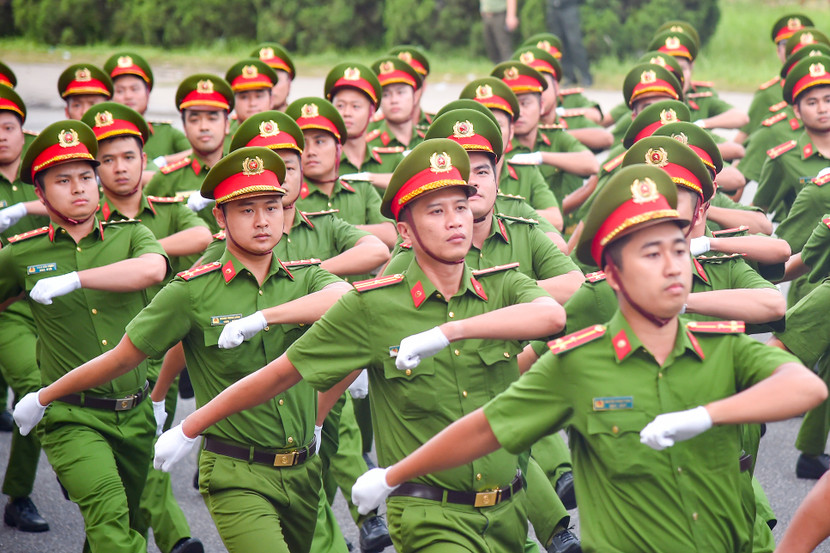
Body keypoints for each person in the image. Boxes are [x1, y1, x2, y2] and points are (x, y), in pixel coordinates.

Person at [349, 163, 826, 552]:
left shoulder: (719, 345)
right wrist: (393, 475)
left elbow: (805, 388)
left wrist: (707, 415)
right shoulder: (577, 365)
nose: (672, 266)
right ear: (613, 276)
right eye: (650, 254)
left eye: (679, 249)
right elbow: (484, 426)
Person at [152, 138, 567, 553]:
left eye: (460, 207)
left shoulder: (503, 285)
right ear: (404, 230)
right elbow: (282, 373)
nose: (455, 221)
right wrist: (191, 426)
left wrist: (449, 332)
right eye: (436, 211)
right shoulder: (373, 306)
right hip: (432, 517)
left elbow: (552, 316)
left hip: (508, 516)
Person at [13, 146, 353, 553]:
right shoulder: (191, 291)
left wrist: (266, 317)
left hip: (303, 467)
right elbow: (122, 357)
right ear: (220, 217)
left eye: (272, 206)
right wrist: (44, 395)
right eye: (246, 210)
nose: (263, 221)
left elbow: (345, 297)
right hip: (236, 470)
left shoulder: (308, 276)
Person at [6, 120, 169, 552]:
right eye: (63, 180)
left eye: (85, 177)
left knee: (128, 526)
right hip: (70, 415)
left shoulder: (132, 234)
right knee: (110, 519)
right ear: (40, 195)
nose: (79, 188)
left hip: (135, 413)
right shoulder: (22, 253)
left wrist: (75, 278)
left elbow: (154, 269)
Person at [81, 101, 211, 553]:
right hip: (106, 355)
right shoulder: (87, 221)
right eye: (106, 160)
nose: (118, 168)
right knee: (115, 487)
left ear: (144, 159)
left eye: (129, 157)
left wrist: (140, 256)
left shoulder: (168, 209)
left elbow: (201, 236)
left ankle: (173, 540)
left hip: (163, 351)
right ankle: (175, 537)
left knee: (149, 449)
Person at [0, 82, 50, 534]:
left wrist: (30, 204)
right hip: (5, 306)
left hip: (44, 303)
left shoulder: (48, 168)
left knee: (37, 391)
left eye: (8, 126)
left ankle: (18, 494)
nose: (1, 135)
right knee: (34, 386)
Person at [287, 96, 397, 249]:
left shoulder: (361, 189)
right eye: (303, 144)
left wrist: (334, 231)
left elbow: (390, 235)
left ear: (338, 148)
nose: (311, 152)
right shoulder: (291, 198)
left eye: (319, 142)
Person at [144, 74, 234, 232]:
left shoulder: (239, 172)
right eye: (194, 120)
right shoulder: (166, 179)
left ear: (227, 125)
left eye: (212, 118)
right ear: (184, 128)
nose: (203, 126)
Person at [104, 52, 192, 171]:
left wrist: (164, 160)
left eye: (135, 89)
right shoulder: (101, 138)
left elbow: (197, 154)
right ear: (109, 98)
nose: (128, 96)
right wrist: (162, 163)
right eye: (120, 91)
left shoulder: (167, 133)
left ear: (147, 93)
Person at [325, 62, 402, 188]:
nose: (347, 113)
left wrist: (370, 178)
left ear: (371, 112)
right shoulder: (320, 164)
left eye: (356, 106)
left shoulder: (393, 160)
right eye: (340, 106)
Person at [367, 57, 425, 152]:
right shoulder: (369, 147)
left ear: (415, 96)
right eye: (386, 94)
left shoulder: (428, 141)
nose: (394, 100)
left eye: (400, 92)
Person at [224, 58, 279, 142]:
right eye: (244, 97)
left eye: (259, 96)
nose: (252, 103)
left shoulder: (283, 135)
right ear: (233, 102)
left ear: (271, 100)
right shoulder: (222, 139)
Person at [544, 0, 592, 86]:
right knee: (559, 44)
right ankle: (569, 76)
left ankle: (586, 75)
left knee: (575, 43)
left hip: (569, 7)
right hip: (553, 9)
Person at [251, 43, 295, 111]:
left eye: (276, 80)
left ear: (289, 84)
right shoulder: (233, 121)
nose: (270, 87)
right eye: (263, 81)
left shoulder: (299, 121)